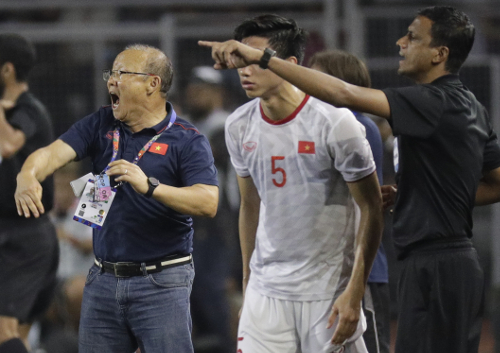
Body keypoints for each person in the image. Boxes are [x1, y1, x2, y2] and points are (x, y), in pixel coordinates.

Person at [199, 6, 500, 353]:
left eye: (413, 37)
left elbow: (344, 94)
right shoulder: (468, 104)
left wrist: (261, 57)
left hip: (432, 263)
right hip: (434, 258)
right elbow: (495, 182)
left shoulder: (427, 102)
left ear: (440, 53)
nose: (401, 43)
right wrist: (422, 196)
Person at [15, 44, 219, 353]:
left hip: (161, 281)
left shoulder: (187, 139)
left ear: (153, 83)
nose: (111, 81)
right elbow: (50, 154)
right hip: (102, 279)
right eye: (110, 74)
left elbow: (208, 202)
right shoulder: (101, 124)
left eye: (121, 74)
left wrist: (149, 186)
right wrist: (27, 175)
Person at [207, 14, 384, 353]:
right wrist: (248, 283)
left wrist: (355, 291)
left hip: (327, 291)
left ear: (288, 64)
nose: (244, 69)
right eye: (239, 60)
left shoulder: (335, 123)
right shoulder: (238, 125)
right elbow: (250, 205)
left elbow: (371, 207)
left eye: (254, 60)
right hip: (266, 291)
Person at [309, 49, 390, 353]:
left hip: (360, 270)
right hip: (326, 268)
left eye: (314, 77)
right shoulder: (321, 125)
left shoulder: (358, 126)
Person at [0, 33, 59, 353]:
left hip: (25, 236)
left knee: (3, 331)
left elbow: (9, 145)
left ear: (7, 70)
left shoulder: (29, 109)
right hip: (20, 235)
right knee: (17, 336)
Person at [184, 66, 236, 353]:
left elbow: (209, 153)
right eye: (193, 88)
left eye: (203, 88)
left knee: (212, 293)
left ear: (218, 94)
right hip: (188, 224)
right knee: (188, 295)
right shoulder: (182, 123)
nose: (195, 93)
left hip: (219, 224)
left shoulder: (226, 124)